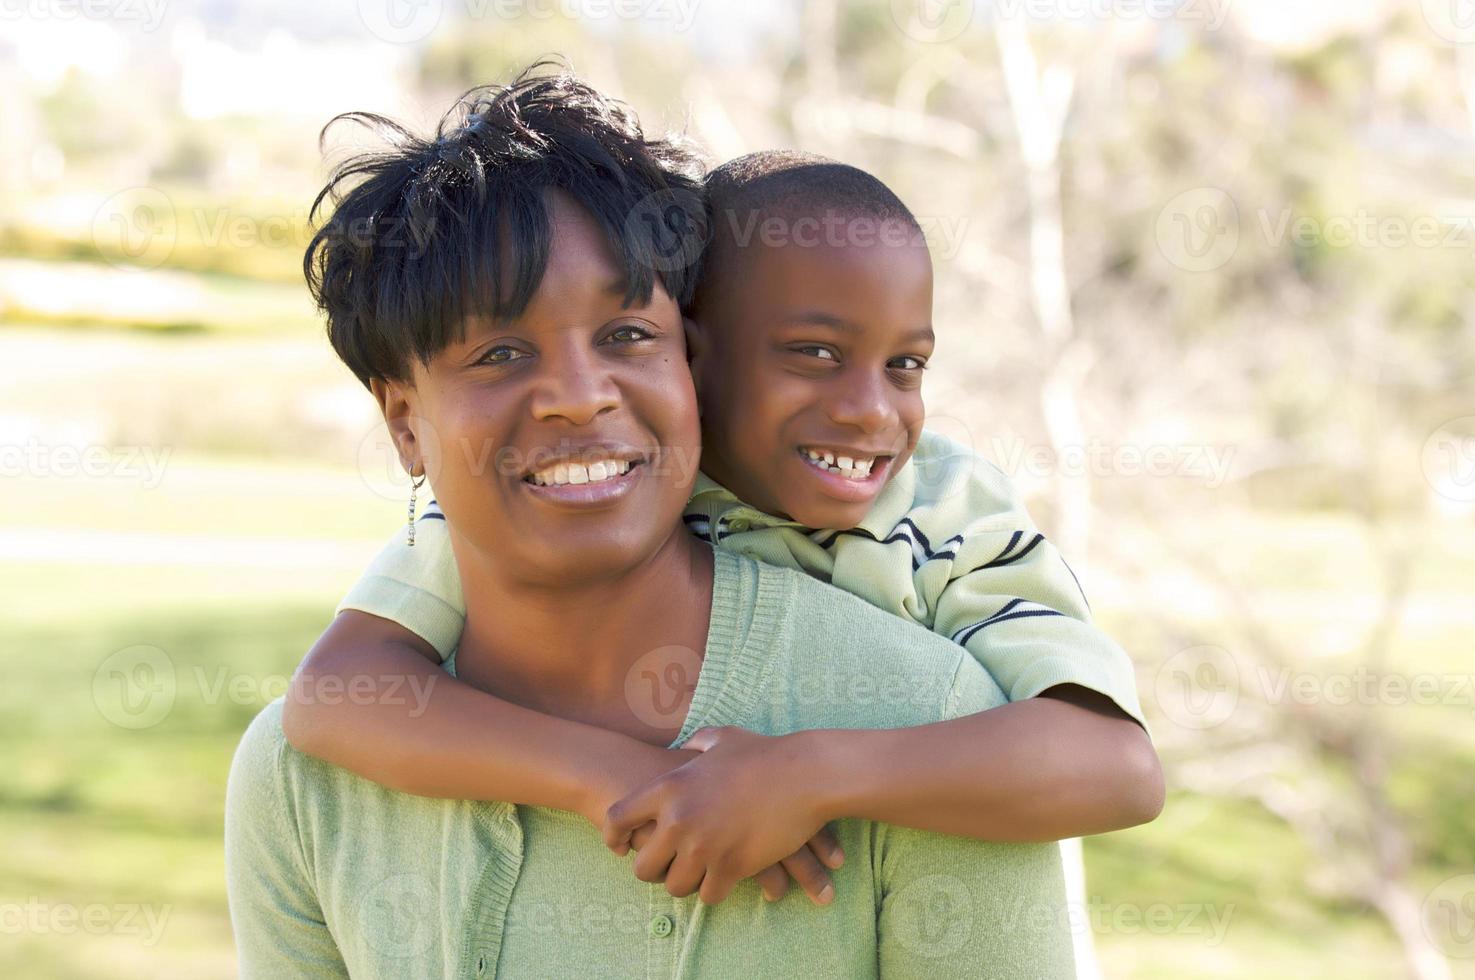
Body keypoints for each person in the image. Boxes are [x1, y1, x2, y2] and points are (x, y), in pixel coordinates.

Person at [226, 64, 1075, 978]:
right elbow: (328, 689)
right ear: (405, 422)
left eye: (628, 335)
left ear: (694, 366)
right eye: (501, 352)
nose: (580, 399)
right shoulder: (304, 780)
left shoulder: (928, 728)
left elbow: (1113, 761)